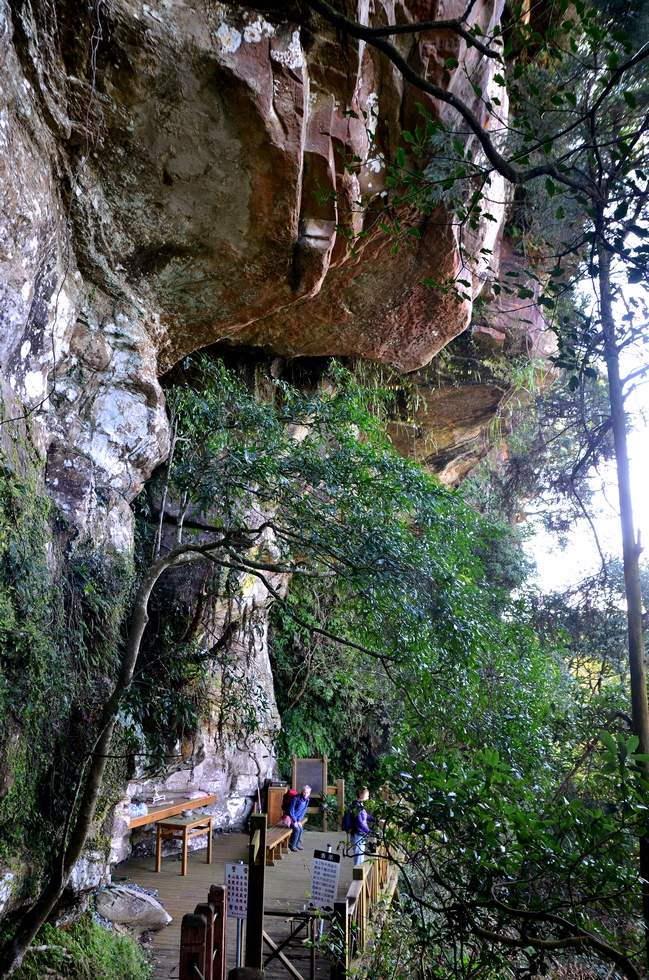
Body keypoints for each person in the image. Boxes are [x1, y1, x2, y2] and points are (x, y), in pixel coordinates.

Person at [350, 786, 377, 866]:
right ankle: (357, 878)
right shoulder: (356, 806)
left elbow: (366, 817)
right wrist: (371, 832)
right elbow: (360, 823)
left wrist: (377, 819)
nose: (368, 796)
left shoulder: (360, 805)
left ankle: (358, 877)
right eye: (367, 794)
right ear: (361, 795)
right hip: (358, 835)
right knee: (358, 860)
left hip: (361, 835)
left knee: (360, 858)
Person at [288, 784, 311, 851]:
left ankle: (297, 844)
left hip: (297, 819)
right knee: (297, 829)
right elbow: (291, 811)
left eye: (307, 793)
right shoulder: (296, 799)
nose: (305, 794)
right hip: (289, 818)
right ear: (302, 791)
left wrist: (299, 821)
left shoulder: (307, 800)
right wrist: (295, 821)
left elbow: (303, 811)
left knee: (301, 828)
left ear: (309, 793)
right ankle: (293, 845)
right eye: (304, 792)